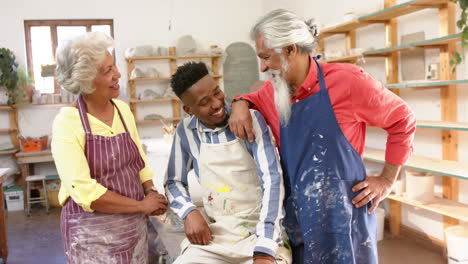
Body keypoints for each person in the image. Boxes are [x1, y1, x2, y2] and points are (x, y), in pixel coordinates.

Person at [229, 9, 416, 264]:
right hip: (298, 223)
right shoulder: (271, 92)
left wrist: (386, 179)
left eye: (266, 57)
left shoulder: (348, 81)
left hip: (345, 221)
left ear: (290, 49)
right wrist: (240, 102)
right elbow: (249, 98)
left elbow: (403, 119)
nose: (262, 67)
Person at [52, 32, 168, 264]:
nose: (118, 74)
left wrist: (150, 190)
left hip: (133, 229)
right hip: (91, 237)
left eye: (113, 65)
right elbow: (84, 192)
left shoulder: (123, 111)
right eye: (107, 71)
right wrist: (141, 205)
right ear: (85, 81)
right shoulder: (67, 123)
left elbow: (138, 160)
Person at [165, 62, 291, 264]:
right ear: (189, 109)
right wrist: (189, 212)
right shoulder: (185, 132)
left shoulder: (250, 120)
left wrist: (265, 248)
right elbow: (173, 182)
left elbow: (273, 181)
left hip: (260, 232)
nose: (216, 104)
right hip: (217, 235)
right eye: (205, 102)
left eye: (217, 92)